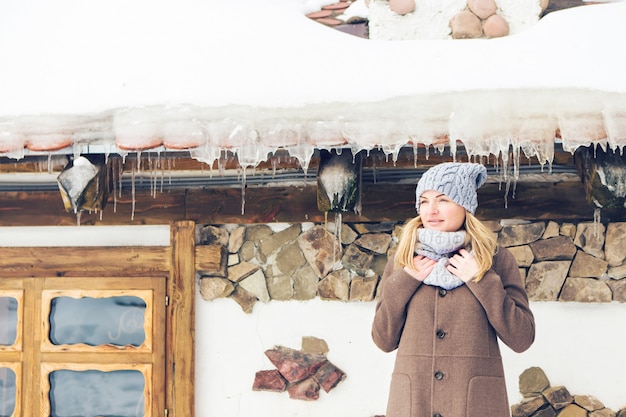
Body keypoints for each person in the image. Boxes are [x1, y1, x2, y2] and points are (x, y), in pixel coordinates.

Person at [372, 162, 535, 417]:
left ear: (465, 205)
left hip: (474, 405)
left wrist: (480, 280)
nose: (432, 210)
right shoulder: (403, 259)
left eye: (443, 199)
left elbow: (522, 338)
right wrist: (405, 280)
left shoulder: (495, 259)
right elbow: (383, 340)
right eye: (424, 201)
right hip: (415, 403)